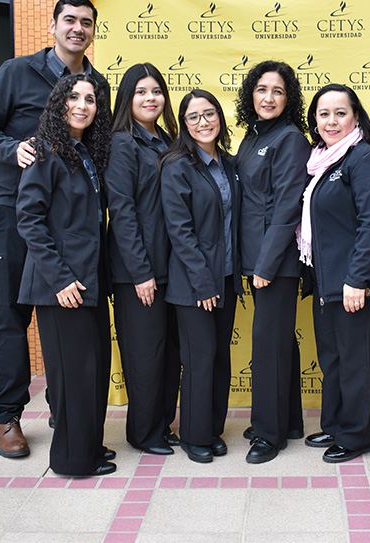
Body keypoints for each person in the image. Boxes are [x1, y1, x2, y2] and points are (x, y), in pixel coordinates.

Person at [0, 0, 108, 458]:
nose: (77, 28)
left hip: (69, 223)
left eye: (86, 22)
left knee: (67, 315)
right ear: (53, 26)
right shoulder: (16, 71)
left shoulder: (95, 84)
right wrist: (13, 150)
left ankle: (64, 412)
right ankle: (8, 416)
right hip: (16, 211)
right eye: (69, 20)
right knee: (12, 314)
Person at [15, 73, 115, 476]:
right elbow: (29, 219)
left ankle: (89, 447)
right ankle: (72, 460)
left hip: (88, 281)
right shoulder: (44, 151)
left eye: (90, 99)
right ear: (59, 104)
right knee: (73, 377)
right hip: (61, 286)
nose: (82, 105)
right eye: (74, 97)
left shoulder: (84, 153)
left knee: (93, 371)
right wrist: (59, 279)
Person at [298, 84, 370, 463]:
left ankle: (356, 436)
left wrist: (358, 280)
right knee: (333, 359)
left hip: (357, 283)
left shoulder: (366, 157)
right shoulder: (320, 162)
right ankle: (335, 424)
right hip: (327, 280)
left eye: (340, 113)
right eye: (324, 114)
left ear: (356, 116)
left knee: (355, 361)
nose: (332, 121)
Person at [160, 89, 242, 464]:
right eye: (193, 117)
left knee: (220, 357)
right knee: (199, 357)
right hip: (194, 283)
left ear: (219, 117)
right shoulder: (177, 165)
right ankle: (194, 435)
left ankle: (212, 429)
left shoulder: (228, 163)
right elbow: (180, 232)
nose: (203, 122)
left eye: (209, 113)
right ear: (184, 124)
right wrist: (202, 282)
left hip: (226, 277)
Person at [234, 61, 310, 464]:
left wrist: (265, 265)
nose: (268, 97)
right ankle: (289, 421)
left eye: (277, 91)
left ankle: (268, 434)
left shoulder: (290, 139)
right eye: (262, 89)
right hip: (256, 258)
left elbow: (287, 208)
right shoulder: (254, 135)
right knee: (279, 341)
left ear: (288, 98)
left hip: (275, 262)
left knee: (268, 345)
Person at [106, 63, 181, 456]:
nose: (150, 98)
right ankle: (144, 433)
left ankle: (162, 425)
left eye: (156, 91)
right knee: (145, 356)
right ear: (127, 98)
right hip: (139, 272)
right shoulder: (122, 143)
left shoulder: (167, 140)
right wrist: (140, 272)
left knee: (168, 354)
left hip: (171, 269)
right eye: (141, 92)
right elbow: (121, 212)